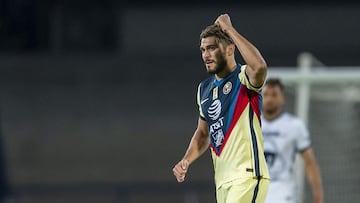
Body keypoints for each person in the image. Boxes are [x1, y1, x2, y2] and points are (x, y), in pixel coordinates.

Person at [172, 13, 270, 203]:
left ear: (230, 49)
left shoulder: (243, 77)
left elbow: (259, 67)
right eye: (202, 50)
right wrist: (186, 160)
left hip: (247, 176)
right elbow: (202, 134)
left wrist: (229, 30)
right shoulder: (204, 90)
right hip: (223, 183)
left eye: (211, 48)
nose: (205, 55)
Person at [261, 78, 324, 203]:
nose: (269, 99)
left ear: (282, 98)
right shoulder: (250, 123)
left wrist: (318, 194)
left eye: (274, 95)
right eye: (265, 94)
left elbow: (310, 162)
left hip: (283, 192)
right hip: (255, 188)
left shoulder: (295, 126)